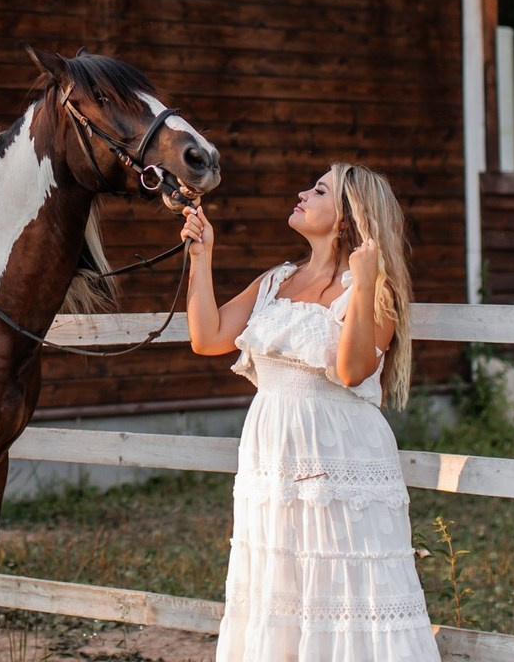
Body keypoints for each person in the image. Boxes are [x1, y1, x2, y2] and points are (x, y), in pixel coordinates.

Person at [180, 162, 439, 662]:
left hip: (340, 453)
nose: (301, 193)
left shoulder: (375, 290)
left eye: (318, 190)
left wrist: (362, 286)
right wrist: (201, 256)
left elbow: (350, 370)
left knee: (344, 583)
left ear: (346, 218)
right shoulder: (275, 281)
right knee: (281, 580)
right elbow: (207, 336)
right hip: (273, 451)